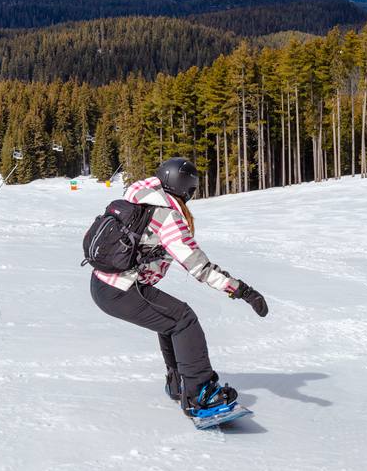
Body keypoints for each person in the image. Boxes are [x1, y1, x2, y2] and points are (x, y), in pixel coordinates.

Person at [90, 157, 269, 417]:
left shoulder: (139, 199)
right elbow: (199, 267)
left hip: (105, 283)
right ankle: (201, 396)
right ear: (184, 185)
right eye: (192, 186)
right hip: (120, 289)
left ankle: (180, 383)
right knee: (183, 320)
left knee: (170, 320)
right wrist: (242, 290)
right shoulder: (167, 215)